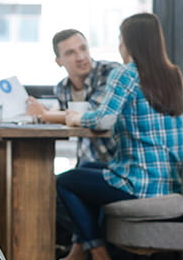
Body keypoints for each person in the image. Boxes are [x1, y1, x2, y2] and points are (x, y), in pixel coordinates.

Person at [54, 13, 183, 260]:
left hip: (139, 183)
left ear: (129, 43)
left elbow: (102, 118)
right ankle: (77, 255)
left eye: (120, 39)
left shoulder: (126, 74)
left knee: (66, 182)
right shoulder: (173, 74)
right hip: (168, 181)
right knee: (86, 169)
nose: (119, 45)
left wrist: (74, 118)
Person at [25, 29, 120, 164]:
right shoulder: (62, 88)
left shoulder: (110, 72)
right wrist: (42, 111)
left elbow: (94, 115)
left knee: (60, 182)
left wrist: (45, 114)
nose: (81, 57)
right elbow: (69, 118)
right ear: (59, 61)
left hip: (118, 163)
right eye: (70, 53)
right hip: (88, 160)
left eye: (83, 48)